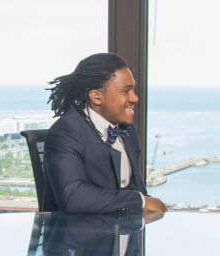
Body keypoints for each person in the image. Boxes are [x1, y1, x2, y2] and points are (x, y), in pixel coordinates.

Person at [42, 53, 167, 215]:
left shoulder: (127, 131)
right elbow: (73, 197)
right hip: (80, 236)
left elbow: (137, 189)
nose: (134, 98)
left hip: (124, 231)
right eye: (126, 91)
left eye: (133, 90)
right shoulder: (65, 133)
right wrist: (140, 201)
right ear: (96, 96)